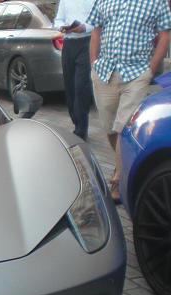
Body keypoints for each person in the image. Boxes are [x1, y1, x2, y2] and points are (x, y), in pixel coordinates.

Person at [87, 0, 171, 202]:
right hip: (104, 72)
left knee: (124, 125)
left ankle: (118, 181)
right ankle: (121, 164)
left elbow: (164, 34)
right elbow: (96, 31)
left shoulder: (156, 2)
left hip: (136, 73)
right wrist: (93, 64)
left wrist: (151, 67)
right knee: (109, 128)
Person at [53, 0, 94, 141]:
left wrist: (84, 28)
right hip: (69, 44)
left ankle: (81, 130)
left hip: (86, 42)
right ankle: (76, 123)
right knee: (70, 87)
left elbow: (99, 22)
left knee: (81, 87)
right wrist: (62, 27)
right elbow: (58, 19)